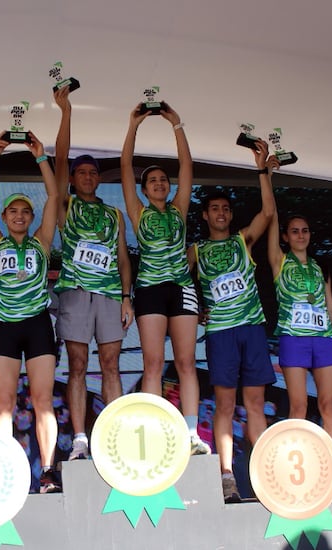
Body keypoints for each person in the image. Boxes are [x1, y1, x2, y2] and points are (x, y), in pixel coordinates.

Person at [189, 141, 277, 502]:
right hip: (220, 334)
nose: (221, 213)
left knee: (255, 404)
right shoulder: (195, 249)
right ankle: (226, 476)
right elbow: (176, 279)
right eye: (215, 209)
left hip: (251, 329)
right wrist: (195, 310)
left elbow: (268, 214)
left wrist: (263, 172)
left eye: (226, 208)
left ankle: (266, 476)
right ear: (206, 216)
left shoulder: (244, 241)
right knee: (224, 405)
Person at [120, 102, 210, 456]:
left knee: (187, 363)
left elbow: (187, 165)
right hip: (149, 291)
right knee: (153, 363)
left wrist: (176, 123)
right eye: (152, 180)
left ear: (169, 187)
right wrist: (134, 125)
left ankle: (190, 434)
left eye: (163, 180)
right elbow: (126, 166)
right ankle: (156, 430)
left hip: (182, 289)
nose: (159, 183)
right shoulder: (137, 211)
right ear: (144, 190)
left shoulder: (179, 209)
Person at [0, 131, 61, 493]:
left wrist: (42, 158)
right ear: (5, 216)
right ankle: (1, 470)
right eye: (14, 211)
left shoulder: (42, 240)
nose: (21, 216)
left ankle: (47, 470)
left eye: (27, 211)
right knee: (5, 403)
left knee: (42, 400)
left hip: (38, 323)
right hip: (5, 326)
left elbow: (55, 195)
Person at [53, 87, 134, 460]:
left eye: (92, 172)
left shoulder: (113, 215)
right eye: (80, 172)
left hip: (108, 295)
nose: (87, 176)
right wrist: (65, 111)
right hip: (74, 293)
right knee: (79, 365)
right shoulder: (66, 205)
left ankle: (113, 432)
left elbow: (121, 259)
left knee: (111, 364)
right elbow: (59, 159)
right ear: (72, 178)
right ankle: (81, 438)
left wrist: (126, 297)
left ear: (98, 179)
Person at [267, 213, 332, 494]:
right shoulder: (280, 261)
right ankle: (298, 471)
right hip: (294, 338)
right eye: (294, 231)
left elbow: (330, 306)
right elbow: (270, 220)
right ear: (285, 236)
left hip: (323, 339)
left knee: (328, 406)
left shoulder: (320, 267)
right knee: (298, 406)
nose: (300, 235)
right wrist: (265, 177)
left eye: (305, 230)